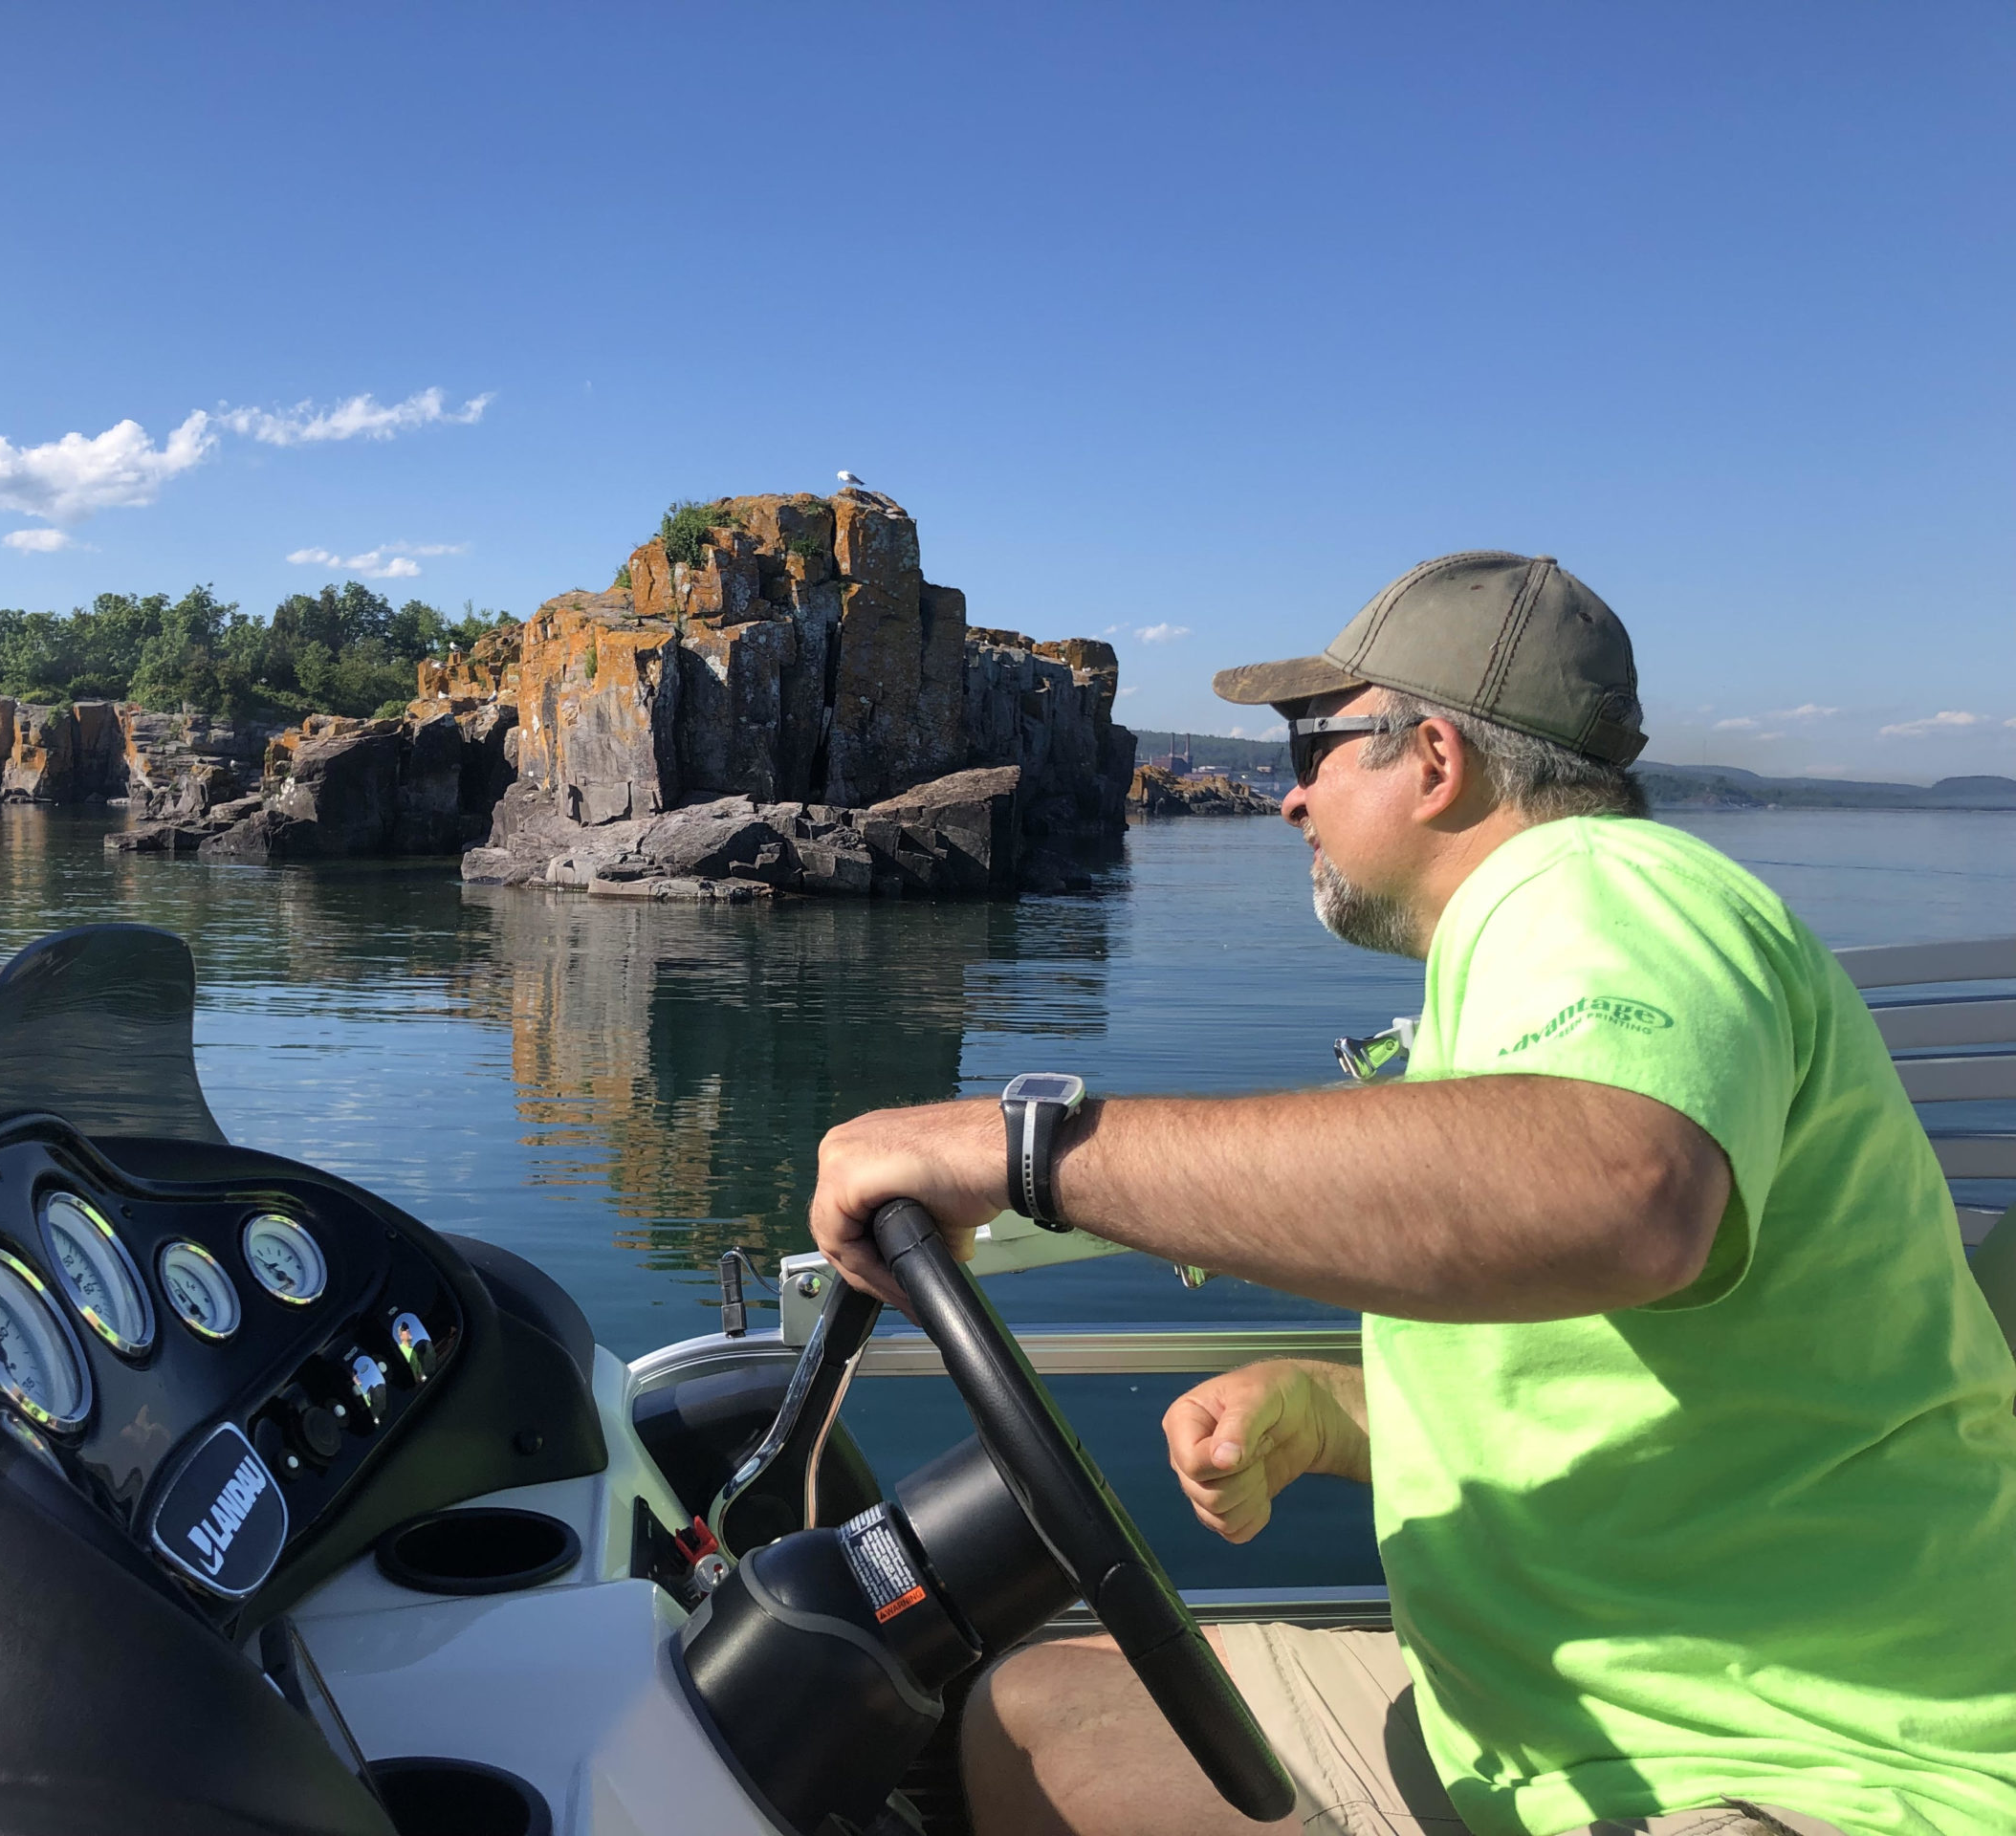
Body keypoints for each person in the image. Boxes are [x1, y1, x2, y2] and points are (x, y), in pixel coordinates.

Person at [806, 553, 2016, 1836]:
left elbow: (1623, 1195)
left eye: (1311, 745)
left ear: (1435, 759)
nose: (1286, 799)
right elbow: (1625, 1389)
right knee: (1044, 1712)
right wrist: (1328, 1415)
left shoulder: (1604, 888)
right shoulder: (1515, 978)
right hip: (1519, 1737)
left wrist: (1031, 1152)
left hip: (1804, 1773)